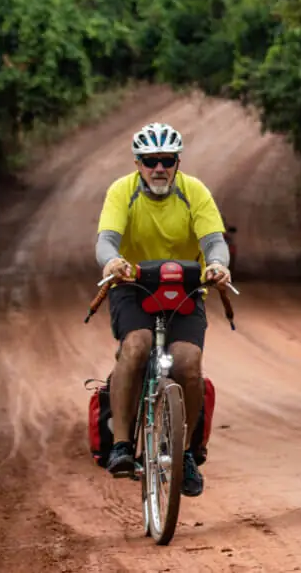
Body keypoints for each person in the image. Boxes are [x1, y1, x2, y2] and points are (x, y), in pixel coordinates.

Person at [95, 122, 232, 497]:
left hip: (185, 289)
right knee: (136, 346)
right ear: (137, 164)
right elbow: (106, 241)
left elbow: (214, 241)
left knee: (188, 362)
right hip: (132, 286)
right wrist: (112, 262)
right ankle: (122, 445)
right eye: (150, 161)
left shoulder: (195, 191)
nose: (159, 168)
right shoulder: (121, 192)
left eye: (167, 160)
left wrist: (217, 265)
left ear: (177, 163)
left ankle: (185, 453)